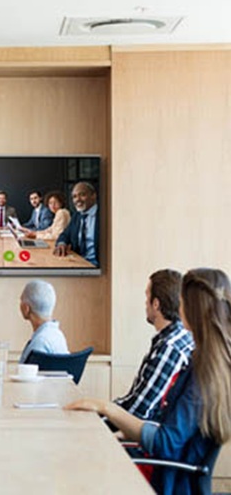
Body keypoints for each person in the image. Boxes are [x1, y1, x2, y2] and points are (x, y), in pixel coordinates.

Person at [66, 268, 231, 495]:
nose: (178, 306)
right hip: (168, 472)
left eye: (182, 300)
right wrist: (131, 430)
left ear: (191, 309)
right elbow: (171, 430)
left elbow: (166, 442)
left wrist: (106, 408)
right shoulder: (207, 364)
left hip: (167, 482)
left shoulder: (202, 375)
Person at [114, 270, 194, 421]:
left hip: (141, 437)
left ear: (156, 304)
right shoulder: (182, 336)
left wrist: (96, 420)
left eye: (147, 297)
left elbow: (136, 412)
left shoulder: (169, 348)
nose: (145, 303)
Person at [18, 280, 69, 363]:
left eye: (21, 300)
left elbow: (27, 375)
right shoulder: (59, 336)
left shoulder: (39, 343)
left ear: (26, 308)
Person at [54, 181, 99, 266]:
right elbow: (65, 234)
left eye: (82, 195)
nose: (77, 199)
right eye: (74, 196)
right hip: (78, 262)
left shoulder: (106, 215)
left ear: (93, 195)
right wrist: (61, 243)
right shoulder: (77, 216)